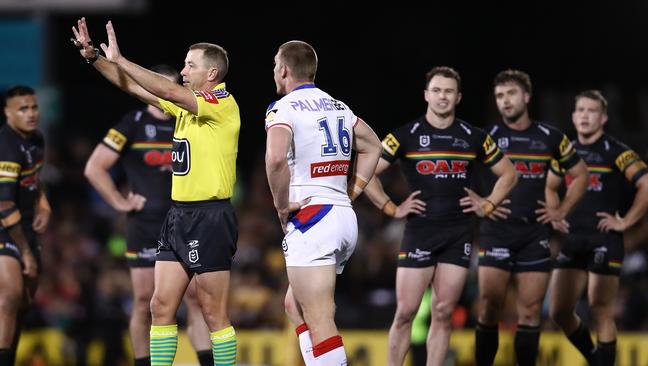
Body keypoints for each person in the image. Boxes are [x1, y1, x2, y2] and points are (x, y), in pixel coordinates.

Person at [72, 17, 240, 365]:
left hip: (209, 217)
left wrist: (121, 59)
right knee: (160, 305)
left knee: (211, 311)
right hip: (177, 215)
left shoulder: (221, 105)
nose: (182, 70)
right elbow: (134, 88)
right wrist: (94, 58)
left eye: (189, 65)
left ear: (211, 74)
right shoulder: (184, 105)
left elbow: (164, 89)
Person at [363, 66, 518, 366]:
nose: (442, 96)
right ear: (426, 95)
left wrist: (487, 205)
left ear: (458, 97)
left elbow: (509, 174)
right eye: (436, 90)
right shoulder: (404, 135)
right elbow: (366, 173)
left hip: (458, 235)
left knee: (444, 312)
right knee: (406, 311)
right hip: (419, 232)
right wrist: (390, 207)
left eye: (448, 91)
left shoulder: (474, 137)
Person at [84, 64, 215, 366]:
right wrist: (119, 202)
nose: (165, 93)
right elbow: (94, 167)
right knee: (145, 301)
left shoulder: (189, 120)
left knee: (196, 298)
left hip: (185, 222)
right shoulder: (132, 123)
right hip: (145, 224)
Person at [265, 40, 382, 365]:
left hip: (311, 218)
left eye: (276, 65)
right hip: (343, 217)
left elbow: (275, 159)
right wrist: (352, 192)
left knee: (319, 318)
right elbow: (373, 147)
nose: (274, 71)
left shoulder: (283, 108)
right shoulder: (339, 106)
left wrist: (281, 205)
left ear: (285, 70)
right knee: (295, 306)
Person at [474, 70, 589, 366]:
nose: (505, 101)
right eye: (499, 96)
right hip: (495, 232)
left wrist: (561, 210)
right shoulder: (487, 137)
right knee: (488, 307)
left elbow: (581, 175)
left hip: (534, 235)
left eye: (511, 94)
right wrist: (484, 202)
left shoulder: (550, 137)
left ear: (527, 96)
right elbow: (459, 171)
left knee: (530, 311)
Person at [548, 90, 648, 366]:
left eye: (591, 111)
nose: (584, 116)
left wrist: (626, 221)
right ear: (572, 116)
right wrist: (556, 212)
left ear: (603, 117)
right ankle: (595, 359)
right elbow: (549, 186)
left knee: (600, 309)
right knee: (559, 312)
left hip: (604, 238)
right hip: (573, 239)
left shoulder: (616, 151)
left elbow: (647, 184)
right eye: (580, 110)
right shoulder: (565, 151)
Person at [0, 85, 50, 365]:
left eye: (34, 107)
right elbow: (4, 205)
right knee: (9, 296)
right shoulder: (5, 146)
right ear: (8, 113)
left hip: (26, 228)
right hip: (5, 228)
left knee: (24, 304)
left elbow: (34, 178)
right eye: (23, 109)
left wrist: (43, 201)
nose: (30, 114)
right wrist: (26, 253)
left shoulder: (36, 139)